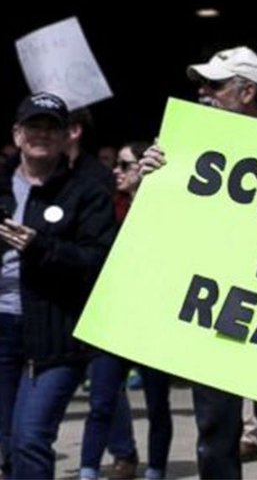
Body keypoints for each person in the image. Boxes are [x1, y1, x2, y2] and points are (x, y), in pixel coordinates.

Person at [142, 45, 257, 479]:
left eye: (214, 85)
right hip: (213, 306)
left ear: (247, 92)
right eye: (200, 85)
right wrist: (154, 178)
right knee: (215, 431)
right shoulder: (184, 148)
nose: (202, 93)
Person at [0, 92, 117, 479]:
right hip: (3, 332)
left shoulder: (86, 191)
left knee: (31, 438)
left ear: (68, 136)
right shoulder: (1, 186)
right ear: (17, 135)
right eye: (34, 126)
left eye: (52, 128)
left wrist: (40, 246)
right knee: (8, 446)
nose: (42, 135)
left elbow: (97, 262)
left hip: (55, 336)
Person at [80, 141, 174, 480]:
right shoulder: (106, 207)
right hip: (114, 319)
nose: (116, 171)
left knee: (157, 405)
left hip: (153, 321)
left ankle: (156, 471)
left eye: (125, 164)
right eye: (116, 165)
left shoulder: (169, 208)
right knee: (101, 400)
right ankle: (88, 471)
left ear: (143, 168)